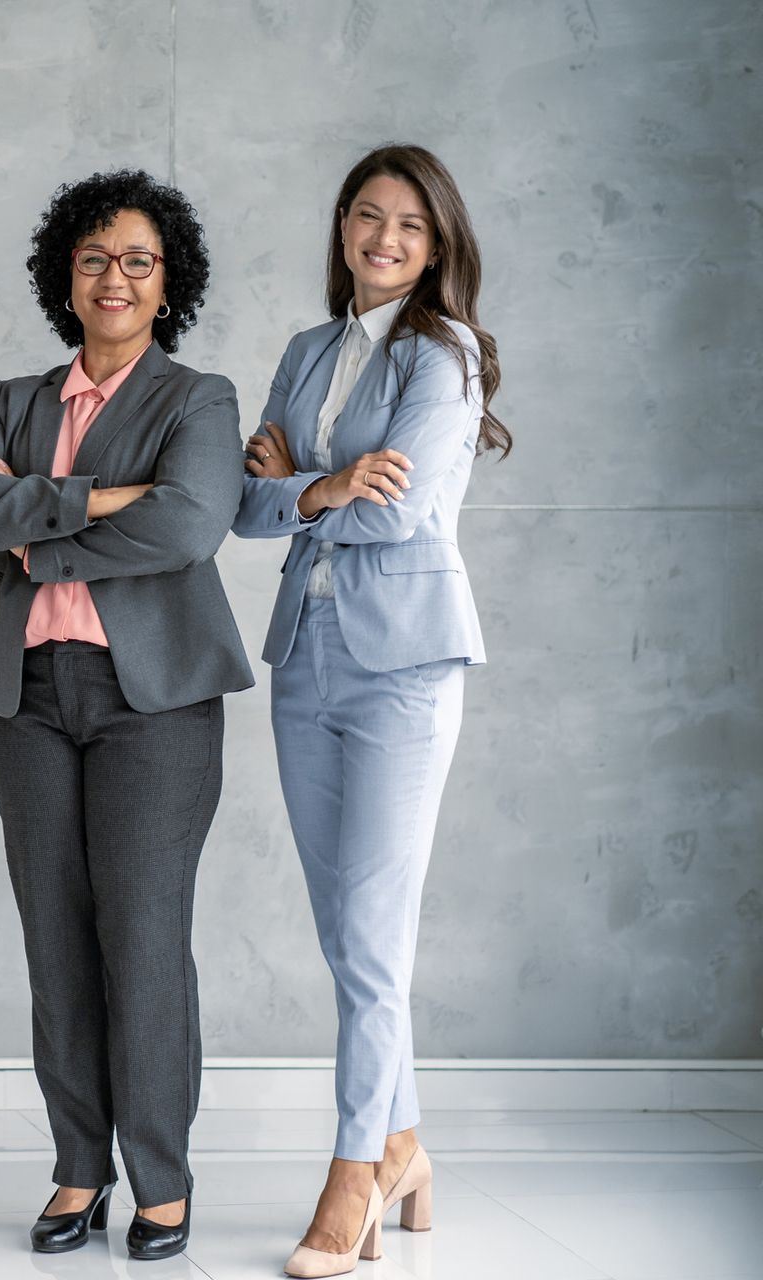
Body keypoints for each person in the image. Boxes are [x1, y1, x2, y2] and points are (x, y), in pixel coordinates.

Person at [0, 168, 250, 1260]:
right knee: (56, 940)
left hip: (149, 704)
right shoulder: (18, 396)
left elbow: (190, 526)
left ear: (169, 284)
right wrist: (101, 496)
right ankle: (79, 1166)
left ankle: (160, 1174)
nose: (114, 277)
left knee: (144, 938)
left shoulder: (196, 397)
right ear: (65, 275)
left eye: (138, 261)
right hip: (23, 697)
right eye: (94, 259)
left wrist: (42, 529)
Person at [233, 142, 507, 1278]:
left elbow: (394, 519)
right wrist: (321, 486)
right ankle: (405, 1142)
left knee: (373, 932)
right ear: (342, 227)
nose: (383, 238)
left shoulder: (446, 358)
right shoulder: (308, 350)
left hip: (404, 665)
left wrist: (309, 484)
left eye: (408, 225)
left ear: (436, 245)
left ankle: (356, 1170)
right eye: (366, 216)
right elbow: (243, 508)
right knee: (346, 928)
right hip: (307, 653)